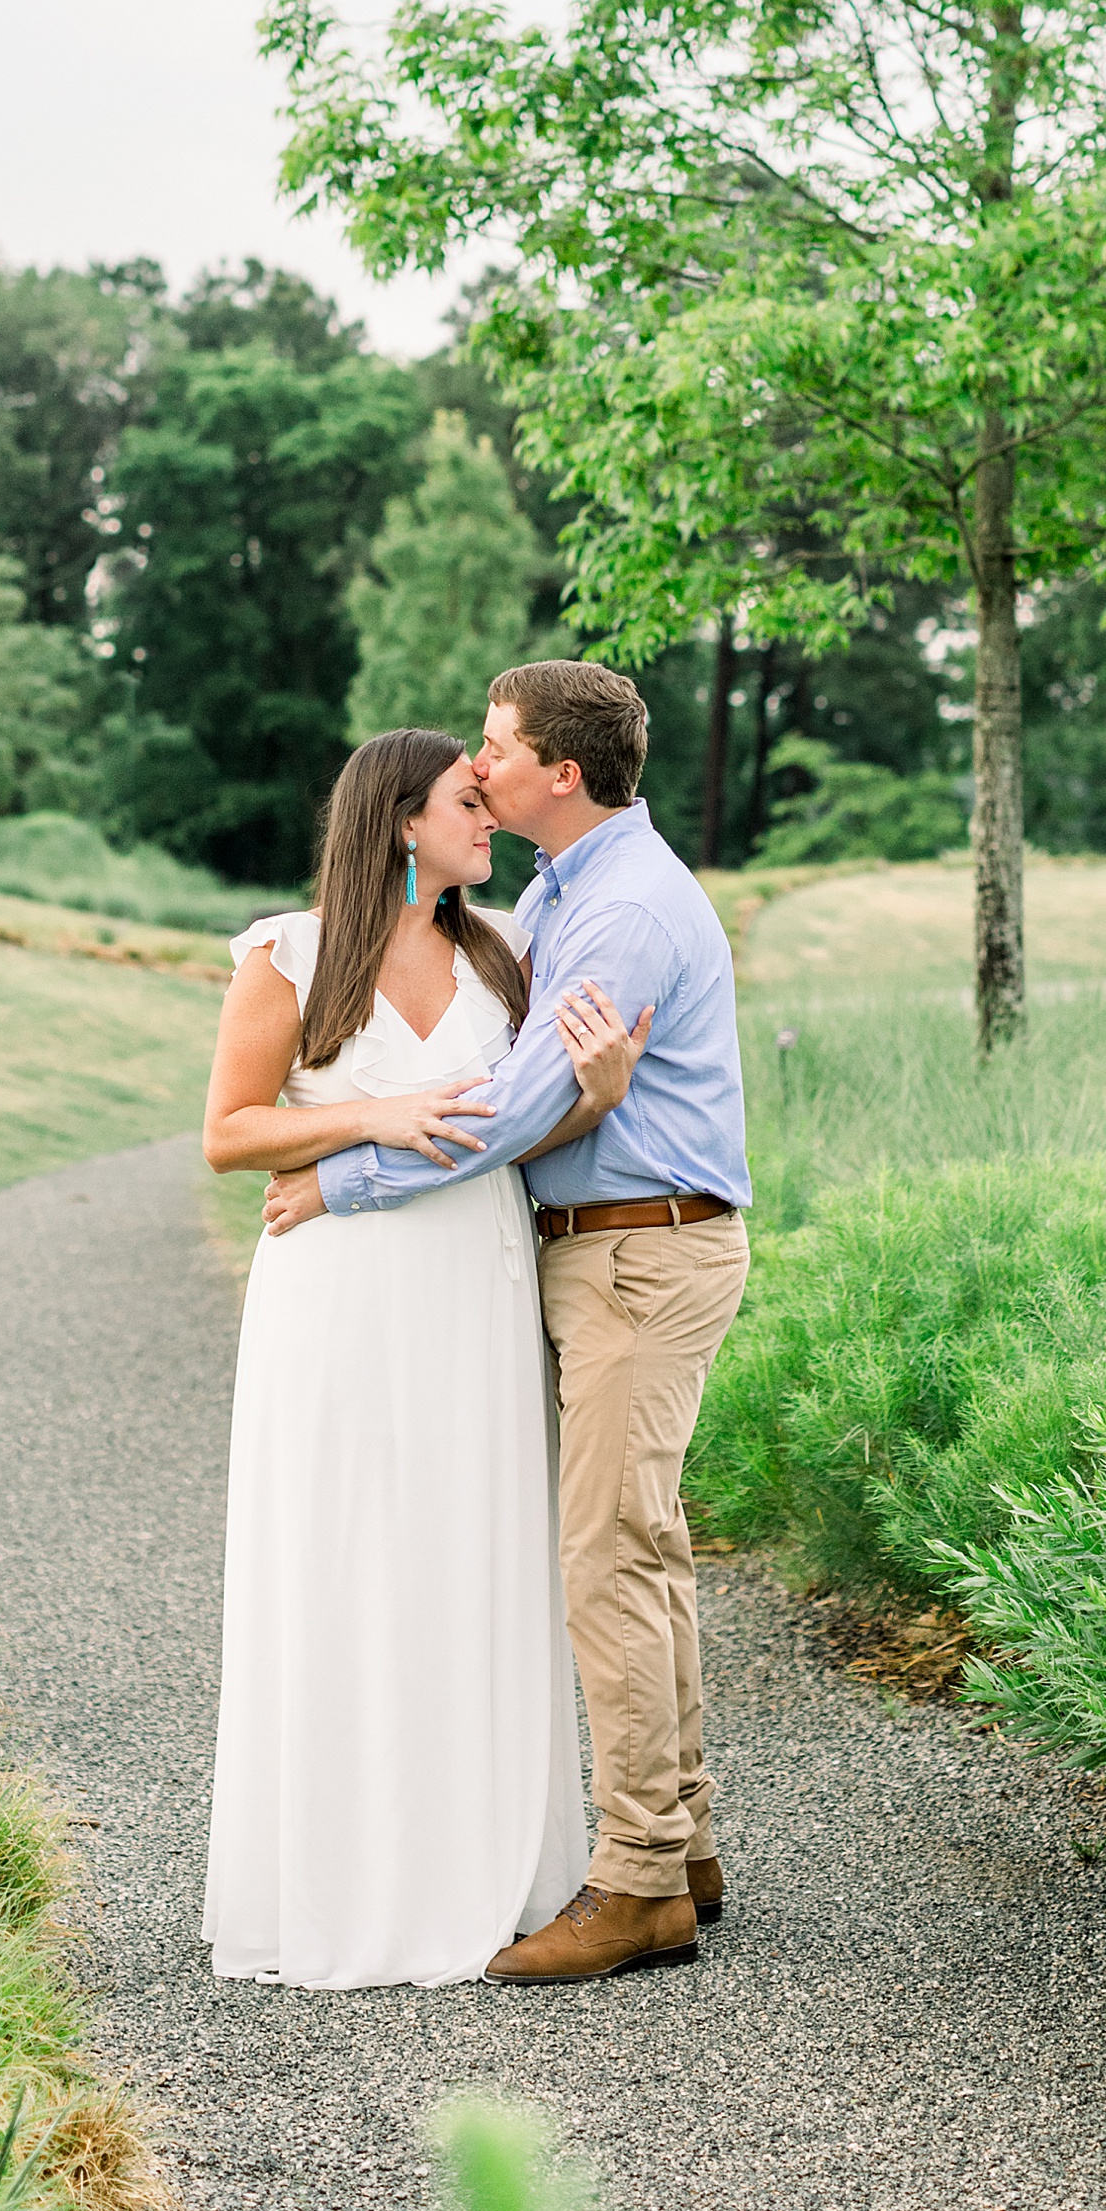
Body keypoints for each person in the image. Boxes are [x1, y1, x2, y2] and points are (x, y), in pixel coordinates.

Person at [265, 661, 751, 1985]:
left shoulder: (625, 912)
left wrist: (341, 1178)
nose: (479, 766)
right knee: (640, 1549)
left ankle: (641, 1878)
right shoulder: (562, 894)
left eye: (496, 746)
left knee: (605, 1558)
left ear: (564, 775)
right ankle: (685, 1839)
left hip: (643, 1256)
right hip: (611, 1249)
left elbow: (521, 1102)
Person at [199, 726, 652, 1989]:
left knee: (470, 1556)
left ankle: (482, 1872)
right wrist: (370, 1115)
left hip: (474, 1284)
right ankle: (341, 1878)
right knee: (344, 1554)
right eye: (468, 799)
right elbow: (230, 1133)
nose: (489, 814)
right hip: (337, 1299)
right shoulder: (290, 951)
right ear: (403, 818)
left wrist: (600, 1095)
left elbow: (521, 1118)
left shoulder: (502, 952)